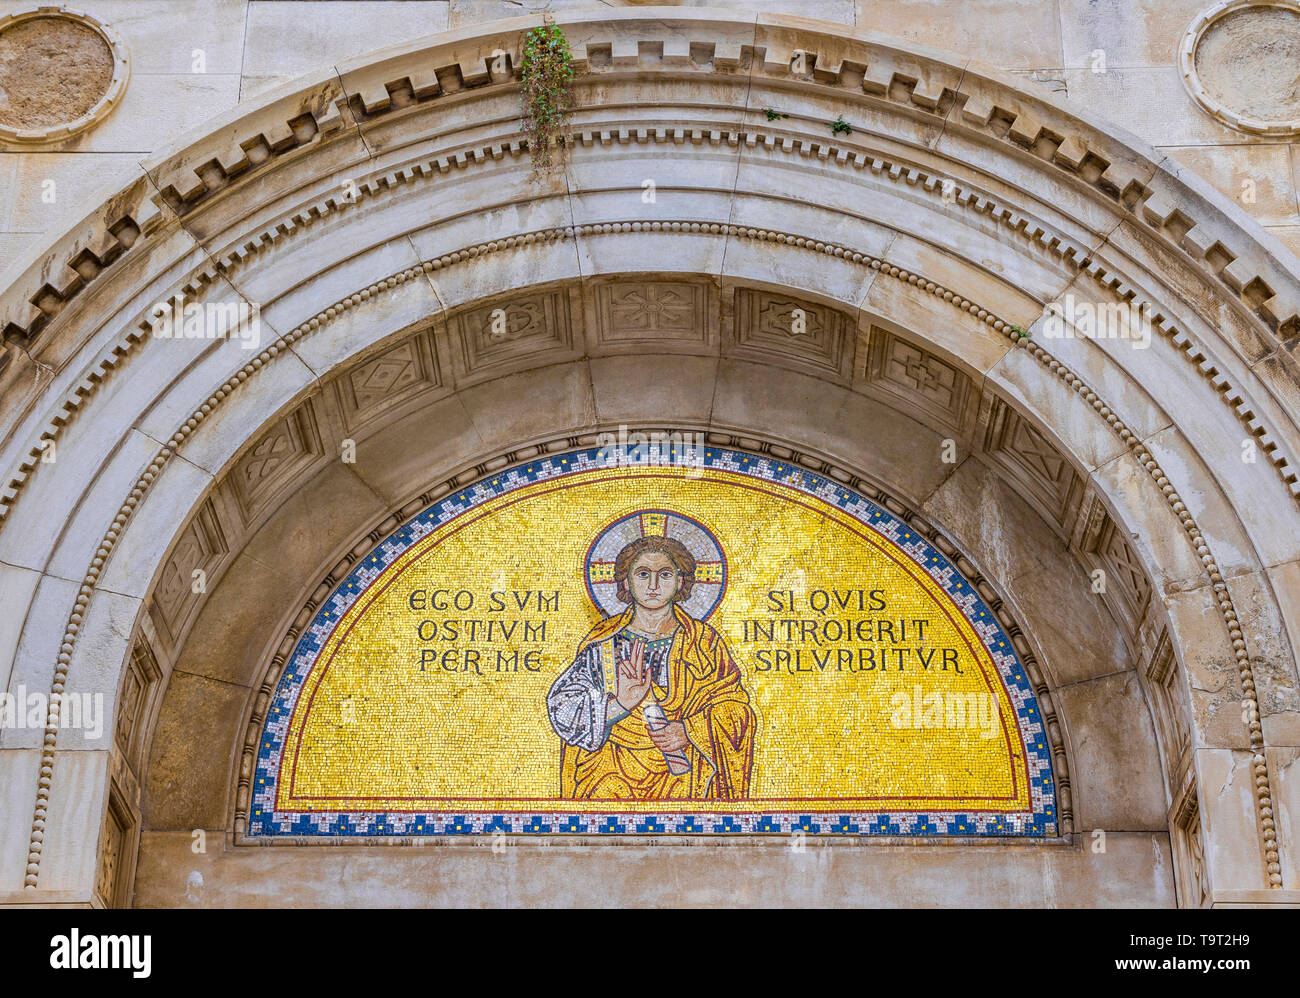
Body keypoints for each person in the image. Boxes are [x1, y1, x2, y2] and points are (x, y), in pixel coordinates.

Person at [546, 535, 755, 799]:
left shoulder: (702, 643)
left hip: (684, 776)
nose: (653, 585)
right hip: (609, 772)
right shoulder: (603, 643)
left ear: (680, 581)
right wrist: (619, 704)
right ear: (626, 581)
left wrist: (690, 731)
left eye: (665, 574)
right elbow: (564, 709)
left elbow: (736, 709)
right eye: (643, 574)